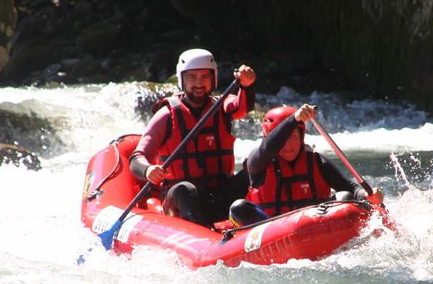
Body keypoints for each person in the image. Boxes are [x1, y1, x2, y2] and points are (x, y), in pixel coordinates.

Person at [129, 48, 257, 227]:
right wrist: (148, 170)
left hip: (219, 194)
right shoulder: (166, 115)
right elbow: (136, 159)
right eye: (192, 77)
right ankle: (205, 238)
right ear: (182, 79)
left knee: (255, 167)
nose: (199, 83)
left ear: (214, 78)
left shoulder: (222, 106)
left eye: (205, 76)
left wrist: (246, 85)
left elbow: (242, 106)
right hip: (181, 201)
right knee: (185, 189)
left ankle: (264, 220)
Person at [229, 103, 384, 226]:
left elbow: (350, 188)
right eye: (282, 140)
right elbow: (266, 149)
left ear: (302, 136)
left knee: (345, 197)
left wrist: (366, 195)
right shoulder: (258, 162)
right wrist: (294, 119)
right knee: (238, 208)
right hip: (269, 227)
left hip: (314, 224)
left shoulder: (316, 161)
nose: (288, 145)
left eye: (293, 137)